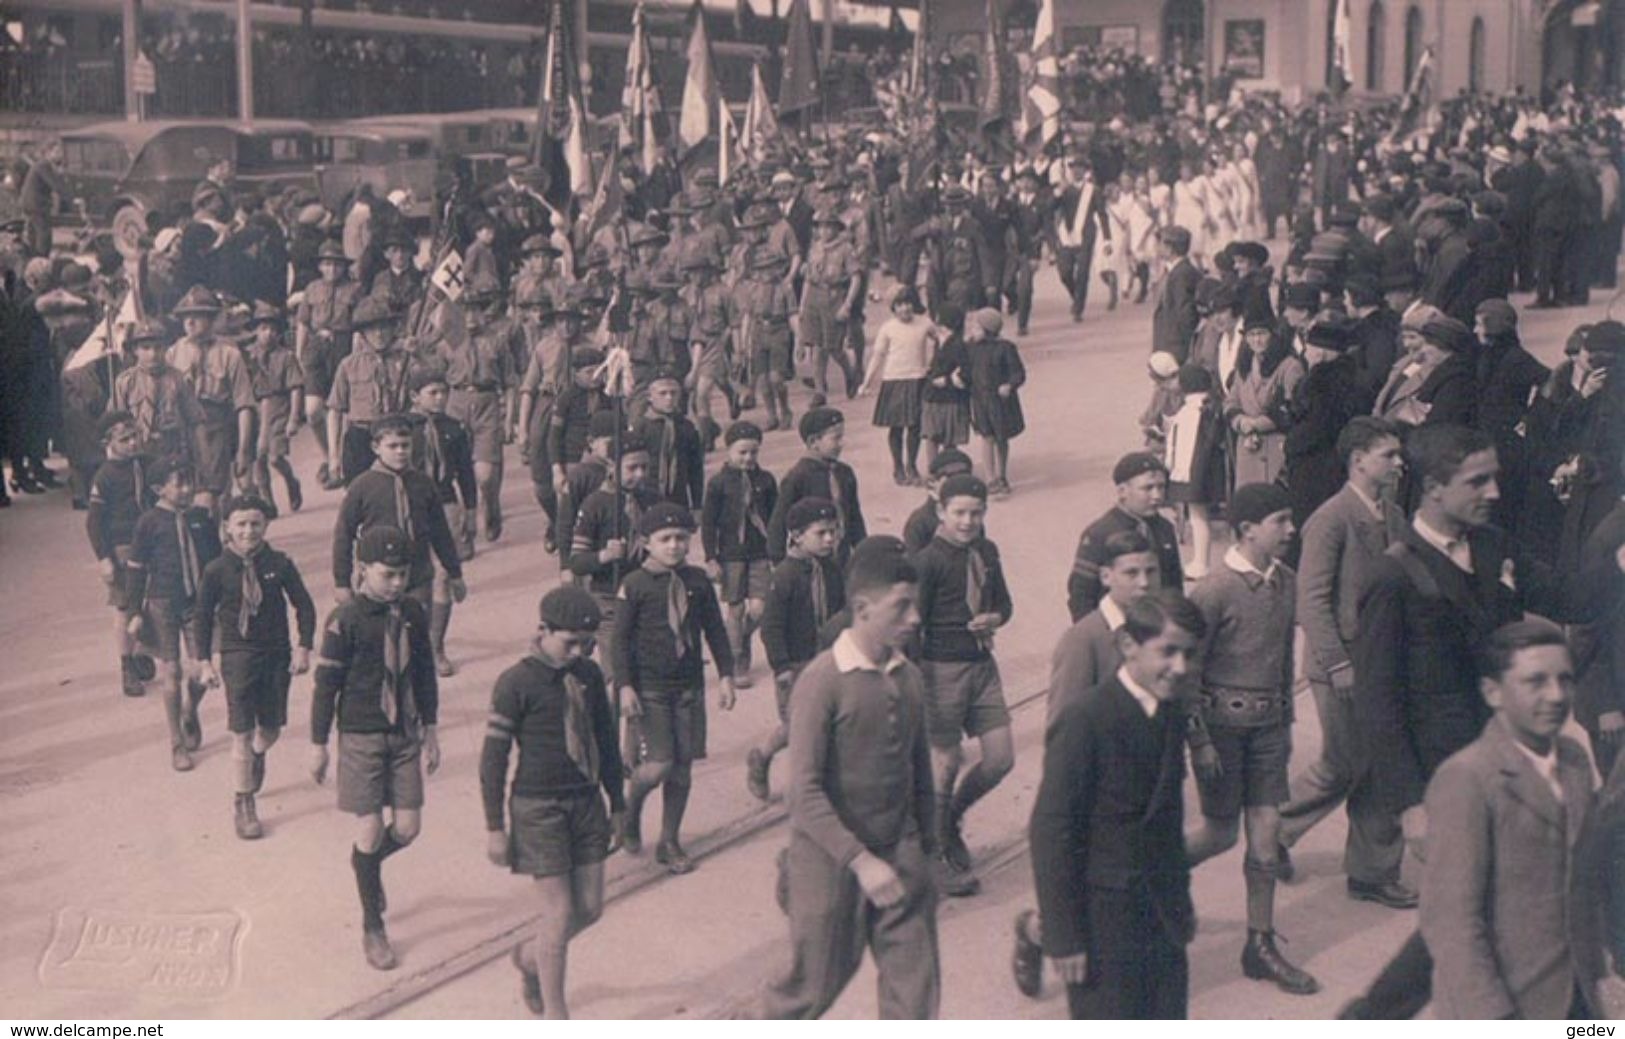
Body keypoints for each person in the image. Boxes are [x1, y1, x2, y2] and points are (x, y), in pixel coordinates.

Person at [1342, 424, 1561, 1020]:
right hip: (1446, 783)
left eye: (1494, 477)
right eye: (1478, 480)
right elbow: (1378, 703)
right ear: (1434, 489)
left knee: (1481, 911)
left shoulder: (1493, 547)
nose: (1494, 491)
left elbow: (1569, 593)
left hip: (1509, 767)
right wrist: (1408, 803)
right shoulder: (1392, 576)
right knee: (1469, 916)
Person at [748, 541, 939, 1019]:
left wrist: (926, 851)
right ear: (862, 609)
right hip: (829, 859)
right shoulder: (823, 681)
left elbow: (920, 776)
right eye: (901, 606)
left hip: (899, 854)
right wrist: (859, 861)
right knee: (808, 990)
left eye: (916, 604)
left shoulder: (910, 678)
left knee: (914, 996)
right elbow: (803, 793)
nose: (914, 617)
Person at [1029, 591, 1205, 1019]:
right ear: (1129, 646)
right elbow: (1051, 830)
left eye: (1188, 654)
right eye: (1167, 652)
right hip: (1101, 924)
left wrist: (1180, 905)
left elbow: (1167, 824)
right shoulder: (1086, 719)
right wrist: (1063, 935)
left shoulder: (1169, 712)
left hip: (1161, 917)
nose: (1179, 667)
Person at [1012, 528, 1166, 997]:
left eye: (1151, 572)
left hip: (1141, 791)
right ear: (1105, 576)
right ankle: (1036, 932)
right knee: (1085, 897)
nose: (1143, 583)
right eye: (1130, 573)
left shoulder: (1157, 628)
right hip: (1094, 795)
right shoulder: (1085, 640)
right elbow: (1062, 726)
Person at [1182, 482, 1319, 996]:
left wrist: (1283, 723)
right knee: (1219, 834)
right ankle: (1155, 873)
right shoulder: (1215, 589)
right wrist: (1199, 740)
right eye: (1281, 521)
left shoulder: (1285, 581)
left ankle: (1259, 944)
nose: (1291, 530)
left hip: (1267, 731)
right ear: (1246, 531)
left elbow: (1284, 656)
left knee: (1266, 836)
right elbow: (1188, 669)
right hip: (1220, 734)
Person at [1421, 620, 1596, 1019]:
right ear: (1492, 692)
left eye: (1565, 680)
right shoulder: (1468, 777)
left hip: (1576, 997)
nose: (1556, 695)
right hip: (1505, 1005)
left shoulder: (1575, 761)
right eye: (1535, 681)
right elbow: (1451, 923)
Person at [1278, 417, 1411, 905]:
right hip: (1342, 666)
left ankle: (1372, 872)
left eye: (1399, 455)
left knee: (1378, 765)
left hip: (1381, 662)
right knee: (1342, 764)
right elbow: (1310, 600)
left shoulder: (1393, 515)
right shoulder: (1330, 519)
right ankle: (1273, 829)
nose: (1399, 463)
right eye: (1389, 455)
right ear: (1359, 460)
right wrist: (1336, 663)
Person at [481, 586, 626, 1020]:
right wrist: (494, 826)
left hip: (586, 803)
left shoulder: (589, 675)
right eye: (570, 643)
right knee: (559, 913)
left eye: (587, 644)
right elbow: (493, 760)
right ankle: (556, 1014)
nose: (579, 652)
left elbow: (605, 739)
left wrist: (617, 804)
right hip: (538, 808)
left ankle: (530, 959)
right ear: (542, 630)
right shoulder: (515, 683)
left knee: (591, 909)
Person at [310, 526, 441, 972]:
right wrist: (318, 744)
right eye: (388, 575)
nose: (398, 583)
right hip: (361, 735)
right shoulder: (343, 621)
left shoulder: (413, 613)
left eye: (404, 574)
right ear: (363, 570)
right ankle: (372, 923)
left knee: (407, 828)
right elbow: (325, 687)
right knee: (369, 829)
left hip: (404, 733)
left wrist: (432, 729)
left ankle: (364, 867)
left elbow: (424, 673)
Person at [611, 503, 735, 874]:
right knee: (660, 764)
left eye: (682, 538)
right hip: (650, 688)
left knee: (682, 770)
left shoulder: (697, 581)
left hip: (688, 687)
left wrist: (726, 675)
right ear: (646, 543)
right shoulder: (634, 585)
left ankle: (669, 840)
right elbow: (620, 640)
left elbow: (715, 629)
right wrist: (625, 686)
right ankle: (631, 807)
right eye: (665, 539)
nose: (675, 546)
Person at [193, 494, 316, 839]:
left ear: (266, 525)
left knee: (270, 729)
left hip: (276, 652)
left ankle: (258, 754)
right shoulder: (216, 570)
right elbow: (202, 618)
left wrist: (303, 647)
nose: (248, 531)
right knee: (241, 731)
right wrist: (204, 662)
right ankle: (243, 800)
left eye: (255, 524)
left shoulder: (280, 563)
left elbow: (303, 606)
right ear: (227, 528)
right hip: (237, 653)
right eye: (241, 525)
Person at [913, 474, 1014, 896]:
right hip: (941, 670)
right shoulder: (928, 560)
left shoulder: (986, 551)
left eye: (976, 512)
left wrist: (995, 618)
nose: (968, 521)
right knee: (943, 764)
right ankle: (933, 852)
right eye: (959, 513)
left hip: (981, 666)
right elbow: (911, 623)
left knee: (1000, 758)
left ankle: (951, 818)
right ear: (941, 512)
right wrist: (918, 679)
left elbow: (1004, 604)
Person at [124, 457, 222, 772]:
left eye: (189, 482)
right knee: (172, 674)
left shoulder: (201, 518)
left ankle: (190, 709)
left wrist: (223, 600)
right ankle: (176, 743)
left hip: (197, 604)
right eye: (178, 483)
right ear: (158, 488)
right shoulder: (148, 523)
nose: (187, 488)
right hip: (162, 603)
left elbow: (217, 563)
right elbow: (136, 570)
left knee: (201, 672)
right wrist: (134, 611)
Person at [750, 497, 843, 802]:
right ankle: (763, 757)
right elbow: (771, 627)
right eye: (821, 533)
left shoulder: (831, 569)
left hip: (828, 660)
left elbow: (840, 612)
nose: (830, 539)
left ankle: (823, 786)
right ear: (797, 535)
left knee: (828, 724)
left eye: (833, 531)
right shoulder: (785, 576)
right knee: (799, 728)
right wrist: (781, 667)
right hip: (796, 665)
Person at [332, 414, 466, 612]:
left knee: (417, 632)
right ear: (376, 448)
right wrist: (341, 582)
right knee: (377, 633)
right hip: (378, 575)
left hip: (417, 573)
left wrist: (455, 573)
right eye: (392, 446)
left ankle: (433, 643)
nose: (400, 452)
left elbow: (440, 532)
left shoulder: (424, 484)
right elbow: (344, 533)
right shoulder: (362, 486)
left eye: (405, 445)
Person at [404, 368, 477, 675]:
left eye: (443, 392)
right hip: (409, 504)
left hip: (445, 502)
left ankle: (436, 647)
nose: (440, 398)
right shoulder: (403, 429)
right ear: (414, 396)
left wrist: (470, 511)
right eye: (432, 392)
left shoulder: (455, 429)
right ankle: (408, 645)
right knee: (410, 577)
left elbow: (465, 472)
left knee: (444, 574)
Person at [443, 276, 520, 544]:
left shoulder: (496, 341)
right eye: (464, 311)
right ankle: (466, 523)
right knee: (455, 469)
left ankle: (491, 504)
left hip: (487, 405)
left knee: (485, 475)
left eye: (476, 309)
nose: (471, 317)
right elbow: (435, 378)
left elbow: (511, 383)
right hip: (456, 403)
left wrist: (510, 419)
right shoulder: (449, 342)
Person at [700, 421, 777, 690]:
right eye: (741, 452)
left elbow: (775, 518)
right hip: (730, 554)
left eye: (753, 452)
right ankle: (736, 662)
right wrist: (711, 557)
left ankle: (739, 638)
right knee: (736, 608)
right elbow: (708, 523)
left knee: (759, 608)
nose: (748, 458)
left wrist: (777, 551)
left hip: (759, 553)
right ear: (728, 450)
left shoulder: (766, 480)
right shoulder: (719, 483)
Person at [166, 286, 256, 516]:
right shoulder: (173, 353)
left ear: (212, 319)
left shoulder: (229, 354)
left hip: (215, 429)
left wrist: (243, 450)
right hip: (182, 430)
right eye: (186, 317)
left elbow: (244, 404)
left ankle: (218, 540)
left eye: (198, 316)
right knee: (185, 493)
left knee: (214, 496)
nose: (190, 322)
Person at [85, 411, 156, 699]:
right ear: (108, 442)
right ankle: (126, 666)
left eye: (134, 436)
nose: (131, 443)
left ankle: (140, 651)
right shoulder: (105, 476)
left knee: (150, 600)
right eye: (123, 439)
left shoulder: (144, 464)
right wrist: (104, 558)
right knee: (125, 607)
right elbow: (93, 522)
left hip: (149, 541)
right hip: (122, 547)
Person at [1067, 451, 1183, 621]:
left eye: (1161, 487)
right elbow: (1081, 595)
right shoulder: (1099, 533)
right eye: (1147, 488)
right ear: (1122, 491)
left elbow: (1174, 584)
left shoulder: (1165, 529)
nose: (1157, 495)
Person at [326, 297, 412, 485]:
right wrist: (333, 457)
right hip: (361, 438)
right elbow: (335, 411)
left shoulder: (406, 361)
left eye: (384, 327)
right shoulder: (349, 365)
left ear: (393, 329)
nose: (379, 334)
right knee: (360, 495)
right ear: (363, 333)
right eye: (372, 329)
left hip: (396, 434)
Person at [295, 240, 358, 488]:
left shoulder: (354, 289)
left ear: (343, 268)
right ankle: (327, 454)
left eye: (336, 265)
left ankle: (335, 463)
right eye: (327, 264)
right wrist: (299, 355)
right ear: (320, 266)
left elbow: (357, 327)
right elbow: (302, 322)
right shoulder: (311, 289)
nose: (331, 269)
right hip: (316, 349)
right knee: (312, 411)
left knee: (337, 408)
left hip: (343, 346)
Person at [767, 407, 866, 564]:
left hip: (841, 556)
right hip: (810, 558)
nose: (842, 443)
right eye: (836, 438)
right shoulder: (797, 477)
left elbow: (854, 516)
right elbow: (779, 522)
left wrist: (862, 549)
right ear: (813, 442)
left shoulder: (844, 473)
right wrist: (778, 560)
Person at [1162, 364, 1226, 579]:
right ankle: (1199, 561)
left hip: (1193, 471)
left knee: (1198, 518)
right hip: (1199, 469)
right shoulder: (1207, 407)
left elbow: (1185, 444)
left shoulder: (1194, 411)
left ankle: (1202, 563)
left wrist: (1173, 467)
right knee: (1198, 517)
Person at [241, 302, 304, 514]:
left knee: (275, 457)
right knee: (258, 457)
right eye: (263, 329)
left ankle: (291, 480)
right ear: (256, 331)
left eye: (272, 329)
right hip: (257, 410)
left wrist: (294, 418)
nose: (268, 334)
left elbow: (295, 387)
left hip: (280, 409)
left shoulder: (286, 357)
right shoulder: (248, 356)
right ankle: (268, 502)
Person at [800, 211, 862, 398]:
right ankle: (819, 391)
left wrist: (847, 305)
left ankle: (850, 372)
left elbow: (855, 277)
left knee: (833, 347)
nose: (825, 231)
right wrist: (802, 305)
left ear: (837, 228)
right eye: (821, 226)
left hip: (834, 297)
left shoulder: (845, 249)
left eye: (829, 226)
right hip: (814, 297)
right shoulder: (814, 247)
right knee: (817, 347)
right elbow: (808, 279)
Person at [964, 308, 1025, 496]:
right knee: (986, 436)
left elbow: (1019, 373)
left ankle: (1002, 474)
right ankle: (990, 478)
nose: (972, 330)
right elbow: (967, 372)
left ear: (987, 329)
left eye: (976, 327)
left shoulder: (1005, 348)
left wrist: (1009, 385)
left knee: (1001, 438)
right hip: (980, 400)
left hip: (1000, 402)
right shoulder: (972, 348)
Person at [636, 368, 705, 510]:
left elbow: (696, 469)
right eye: (663, 393)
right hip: (647, 496)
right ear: (650, 396)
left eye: (673, 393)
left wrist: (697, 505)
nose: (669, 398)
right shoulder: (641, 426)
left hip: (678, 497)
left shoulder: (687, 427)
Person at [919, 304, 971, 470]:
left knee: (947, 438)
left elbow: (966, 373)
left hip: (950, 398)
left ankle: (945, 468)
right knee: (933, 436)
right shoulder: (939, 342)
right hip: (935, 396)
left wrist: (947, 380)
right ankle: (935, 468)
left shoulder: (958, 346)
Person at [903, 448, 974, 554]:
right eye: (951, 478)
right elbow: (912, 565)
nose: (959, 484)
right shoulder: (920, 522)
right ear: (933, 482)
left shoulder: (973, 518)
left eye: (965, 476)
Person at [1151, 226, 1200, 363]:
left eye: (1159, 244)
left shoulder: (1182, 274)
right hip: (1169, 344)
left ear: (1169, 247)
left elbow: (1185, 314)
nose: (1156, 248)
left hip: (1176, 347)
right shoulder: (1173, 271)